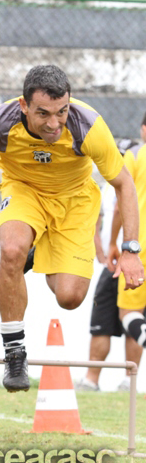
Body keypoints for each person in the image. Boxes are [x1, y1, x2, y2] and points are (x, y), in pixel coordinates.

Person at [0, 64, 144, 393]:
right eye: (43, 113)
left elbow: (124, 184)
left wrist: (130, 250)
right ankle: (14, 351)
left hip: (74, 202)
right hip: (24, 191)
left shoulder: (88, 125)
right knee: (11, 250)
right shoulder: (1, 122)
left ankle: (37, 252)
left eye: (61, 111)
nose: (54, 123)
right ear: (24, 106)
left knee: (69, 297)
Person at [77, 159, 143, 391]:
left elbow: (117, 208)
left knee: (114, 318)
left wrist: (116, 243)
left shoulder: (133, 163)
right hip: (129, 257)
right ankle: (128, 380)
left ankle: (92, 380)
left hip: (124, 259)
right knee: (133, 318)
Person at [107, 115, 146, 376]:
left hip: (139, 248)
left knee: (129, 314)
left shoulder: (134, 155)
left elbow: (122, 204)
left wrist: (113, 242)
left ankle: (129, 380)